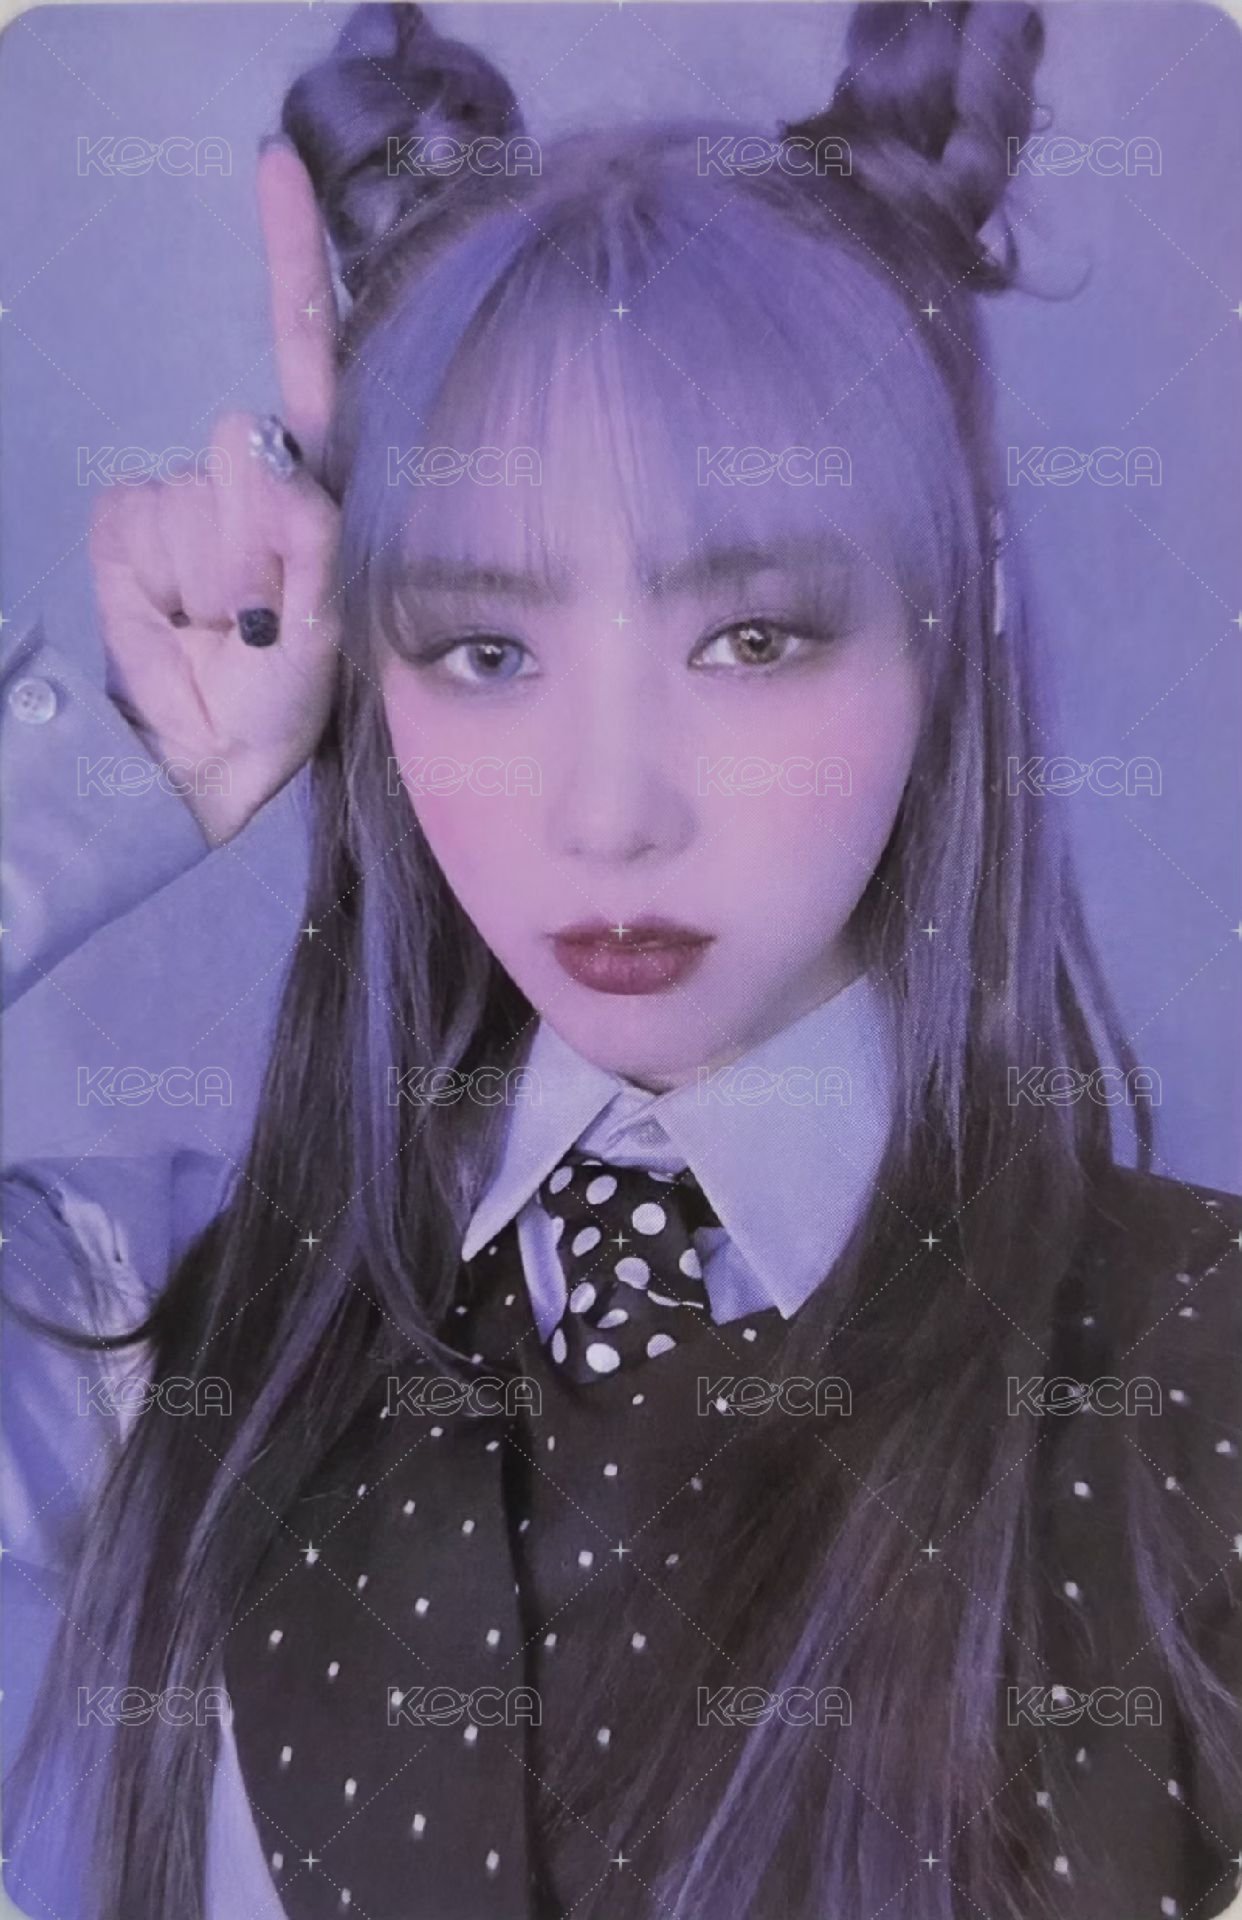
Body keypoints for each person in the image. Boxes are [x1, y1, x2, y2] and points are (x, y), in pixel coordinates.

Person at [3, 4, 1240, 1917]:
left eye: (749, 637)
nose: (606, 815)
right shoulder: (147, 1333)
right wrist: (123, 773)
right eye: (483, 648)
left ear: (955, 615)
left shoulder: (1199, 1362)